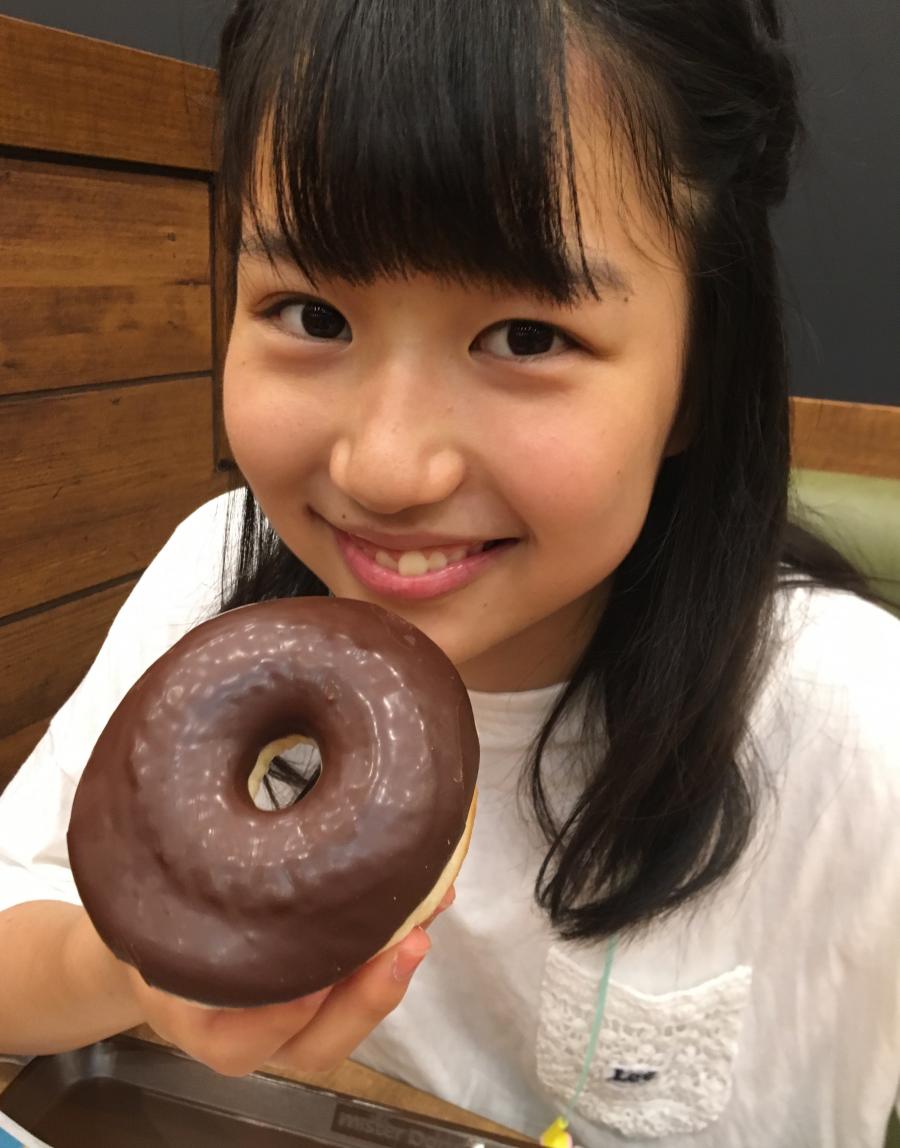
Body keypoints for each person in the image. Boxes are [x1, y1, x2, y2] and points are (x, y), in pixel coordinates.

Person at [0, 0, 897, 1143]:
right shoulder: (217, 580)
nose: (384, 467)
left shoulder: (859, 731)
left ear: (697, 375)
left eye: (527, 336)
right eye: (312, 312)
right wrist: (129, 967)